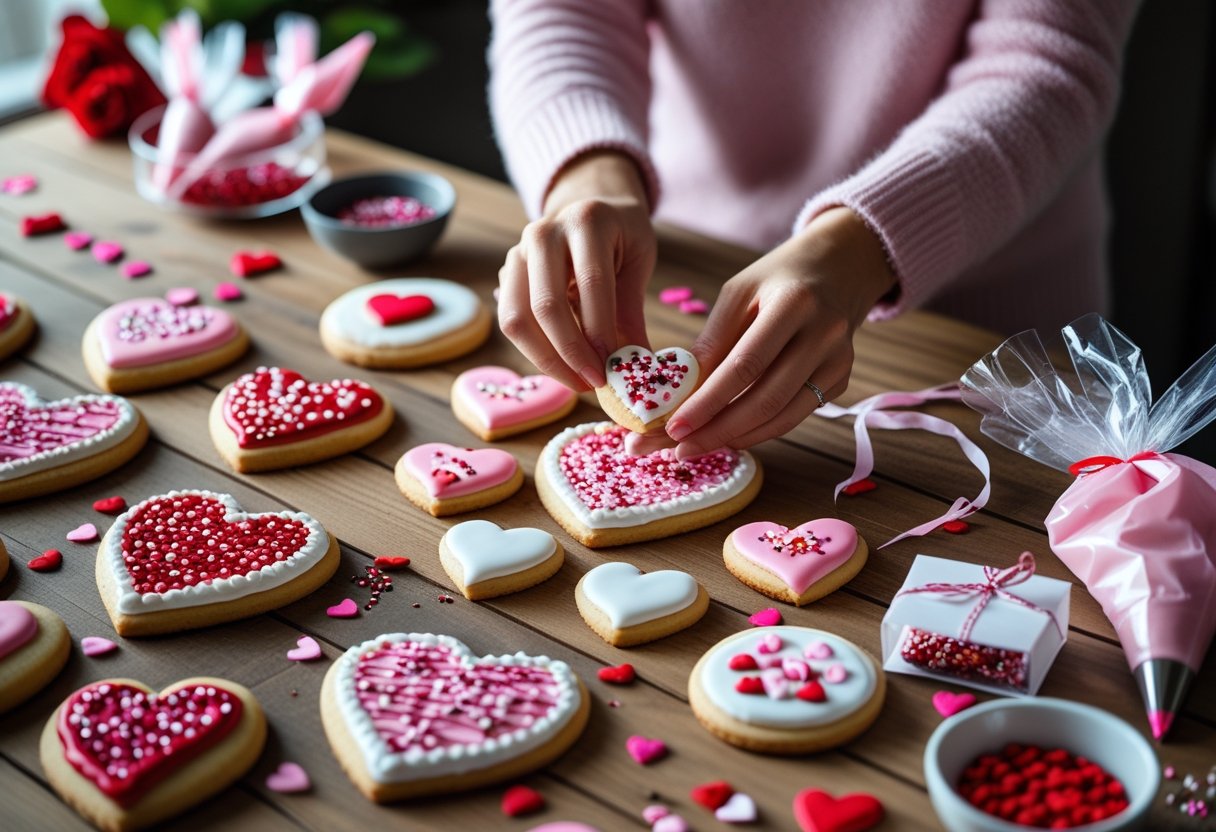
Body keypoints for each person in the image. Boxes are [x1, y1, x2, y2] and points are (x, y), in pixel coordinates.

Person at [487, 1, 1138, 458]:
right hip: (684, 268)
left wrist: (857, 252)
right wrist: (590, 178)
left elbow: (1048, 64)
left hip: (989, 329)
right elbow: (560, 15)